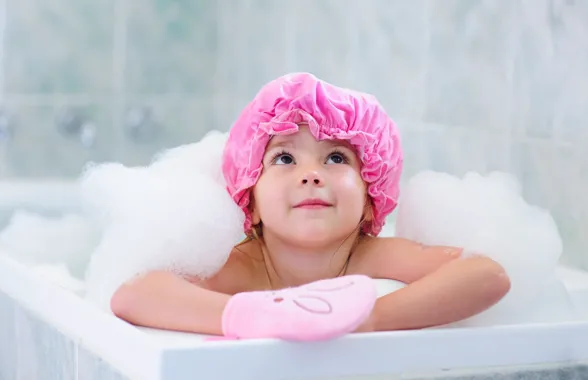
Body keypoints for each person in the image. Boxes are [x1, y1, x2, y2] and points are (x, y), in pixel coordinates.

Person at [110, 72, 511, 341]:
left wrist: (369, 318)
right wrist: (258, 316)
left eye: (336, 158)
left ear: (372, 201)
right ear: (251, 200)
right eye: (284, 159)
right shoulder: (244, 265)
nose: (311, 174)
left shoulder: (369, 255)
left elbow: (488, 275)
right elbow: (133, 294)